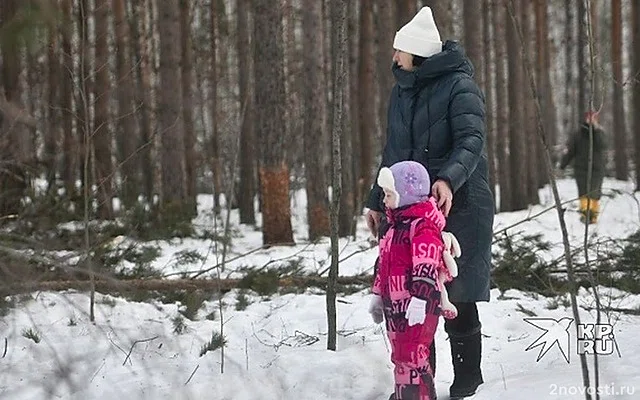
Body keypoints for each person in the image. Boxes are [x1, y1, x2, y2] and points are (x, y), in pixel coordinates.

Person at [364, 7, 494, 399]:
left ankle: (467, 382)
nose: (393, 58)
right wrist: (375, 199)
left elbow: (472, 141)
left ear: (417, 53)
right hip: (409, 210)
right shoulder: (401, 91)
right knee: (414, 303)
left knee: (456, 293)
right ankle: (422, 385)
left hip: (460, 202)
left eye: (398, 51)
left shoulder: (460, 86)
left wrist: (448, 179)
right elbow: (393, 151)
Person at [368, 160, 461, 400]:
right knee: (399, 354)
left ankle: (417, 396)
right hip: (395, 305)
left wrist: (420, 298)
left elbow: (426, 265)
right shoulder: (392, 227)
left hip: (417, 304)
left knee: (413, 355)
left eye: (389, 194)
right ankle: (404, 394)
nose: (385, 200)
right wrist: (377, 296)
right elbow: (383, 265)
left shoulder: (423, 228)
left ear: (406, 194)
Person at [559, 110, 607, 224]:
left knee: (594, 193)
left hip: (596, 168)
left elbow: (602, 146)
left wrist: (596, 130)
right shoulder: (578, 134)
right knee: (584, 193)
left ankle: (593, 217)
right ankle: (585, 216)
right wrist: (562, 165)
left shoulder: (600, 132)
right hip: (581, 169)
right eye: (589, 117)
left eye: (593, 118)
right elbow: (571, 151)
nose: (591, 120)